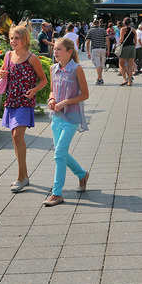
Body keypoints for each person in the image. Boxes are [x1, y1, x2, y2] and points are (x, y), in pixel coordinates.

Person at [0, 23, 48, 193]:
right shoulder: (8, 55)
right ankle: (24, 175)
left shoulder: (32, 58)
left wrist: (34, 90)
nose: (13, 41)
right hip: (11, 100)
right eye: (11, 38)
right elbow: (3, 72)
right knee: (15, 138)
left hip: (25, 101)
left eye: (17, 38)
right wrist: (1, 73)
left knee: (17, 135)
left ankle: (21, 177)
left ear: (25, 40)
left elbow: (43, 80)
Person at [44, 37, 90, 207]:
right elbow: (52, 91)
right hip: (56, 117)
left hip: (71, 117)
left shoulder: (77, 69)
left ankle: (56, 194)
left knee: (59, 154)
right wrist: (51, 99)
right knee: (61, 153)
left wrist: (65, 102)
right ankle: (82, 174)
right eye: (54, 49)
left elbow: (85, 95)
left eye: (58, 49)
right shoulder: (52, 68)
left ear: (69, 52)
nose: (55, 52)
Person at [85, 20, 109, 85]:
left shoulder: (90, 31)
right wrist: (108, 49)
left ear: (93, 24)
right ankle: (99, 78)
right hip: (103, 49)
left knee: (98, 65)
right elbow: (107, 39)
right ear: (99, 24)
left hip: (95, 49)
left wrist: (88, 52)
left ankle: (100, 79)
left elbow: (87, 42)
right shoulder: (103, 30)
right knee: (101, 64)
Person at [117, 18, 136, 86]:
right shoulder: (133, 30)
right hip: (132, 48)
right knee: (130, 66)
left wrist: (118, 44)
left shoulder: (123, 29)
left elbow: (121, 40)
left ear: (124, 22)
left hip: (125, 47)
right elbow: (135, 41)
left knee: (121, 64)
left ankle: (125, 79)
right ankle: (130, 81)